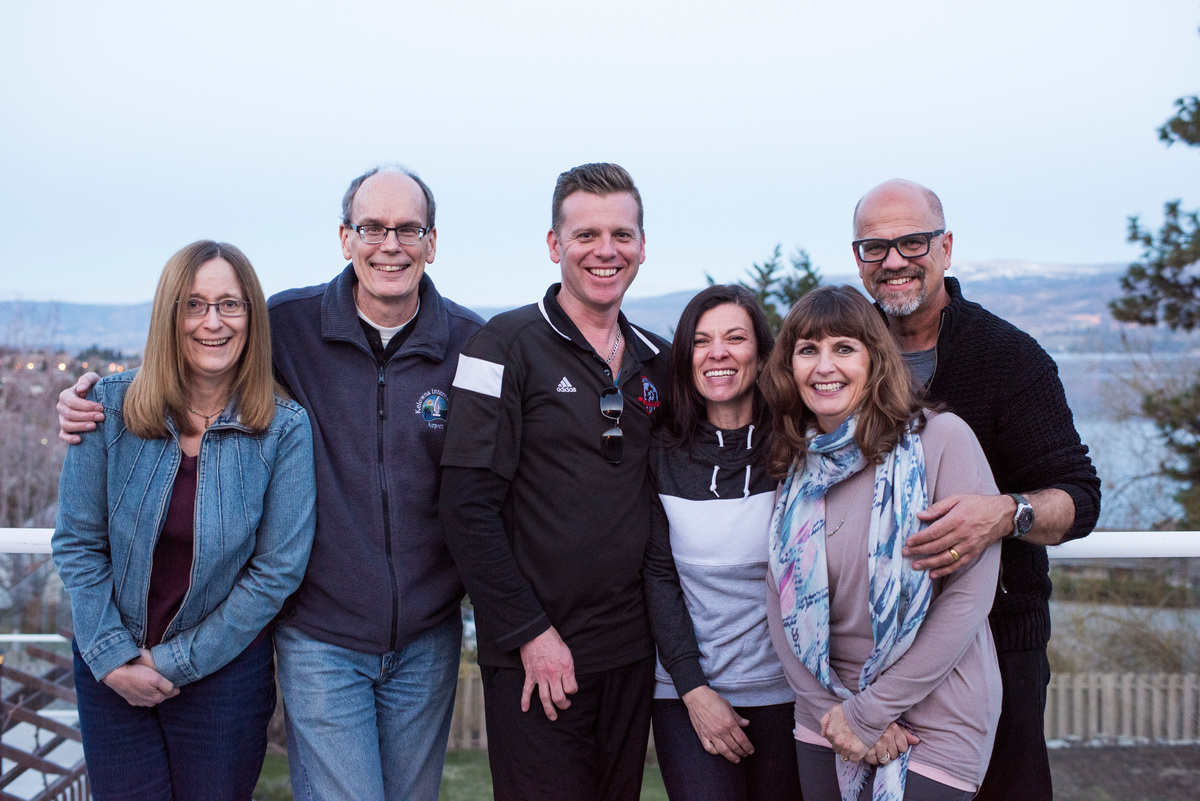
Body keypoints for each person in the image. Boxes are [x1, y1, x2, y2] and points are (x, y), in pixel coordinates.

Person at [57, 166, 484, 800]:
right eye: (372, 227)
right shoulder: (289, 324)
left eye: (408, 229)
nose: (389, 245)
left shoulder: (472, 345)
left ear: (432, 241)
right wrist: (85, 399)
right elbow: (188, 360)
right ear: (345, 237)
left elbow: (507, 462)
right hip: (322, 636)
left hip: (426, 634)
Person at [850, 179, 1101, 801]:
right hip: (868, 650)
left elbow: (1079, 497)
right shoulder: (842, 358)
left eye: (912, 242)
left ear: (946, 247)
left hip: (995, 641)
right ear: (858, 259)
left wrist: (1006, 513)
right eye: (875, 247)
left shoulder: (1008, 358)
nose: (894, 261)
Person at [53, 240, 316, 800]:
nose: (212, 322)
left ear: (252, 316)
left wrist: (172, 660)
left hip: (225, 676)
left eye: (230, 304)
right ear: (168, 316)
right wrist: (113, 658)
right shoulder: (107, 407)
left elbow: (277, 571)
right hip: (111, 671)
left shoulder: (283, 428)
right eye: (194, 305)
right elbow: (77, 543)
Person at [439, 162, 669, 801]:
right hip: (536, 657)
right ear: (553, 244)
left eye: (621, 235)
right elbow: (465, 509)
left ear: (642, 246)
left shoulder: (659, 360)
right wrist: (530, 635)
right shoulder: (499, 346)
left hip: (630, 654)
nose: (605, 251)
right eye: (586, 234)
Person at [761, 285, 1002, 801]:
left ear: (875, 359)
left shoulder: (942, 440)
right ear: (789, 367)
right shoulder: (798, 464)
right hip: (826, 711)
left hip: (936, 711)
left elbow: (969, 597)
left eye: (844, 348)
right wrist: (838, 713)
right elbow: (778, 600)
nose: (824, 366)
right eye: (808, 350)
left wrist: (871, 713)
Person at [642, 284, 803, 801]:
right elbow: (659, 577)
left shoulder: (797, 449)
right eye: (701, 341)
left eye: (735, 338)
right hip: (687, 692)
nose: (717, 353)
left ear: (761, 353)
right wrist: (693, 688)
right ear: (685, 357)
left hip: (790, 693)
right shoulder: (661, 452)